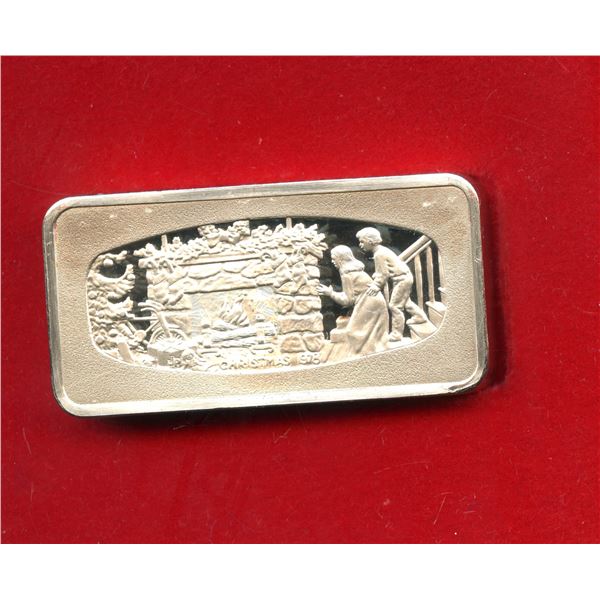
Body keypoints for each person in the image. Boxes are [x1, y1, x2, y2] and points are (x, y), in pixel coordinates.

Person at [356, 227, 429, 342]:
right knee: (406, 302)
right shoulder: (381, 251)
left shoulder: (378, 254)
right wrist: (377, 275)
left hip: (402, 280)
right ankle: (419, 316)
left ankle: (396, 334)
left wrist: (376, 285)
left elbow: (383, 274)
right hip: (404, 278)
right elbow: (383, 270)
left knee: (394, 306)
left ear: (370, 241)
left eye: (362, 241)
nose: (360, 245)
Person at [318, 245, 389, 361]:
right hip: (376, 301)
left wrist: (330, 293)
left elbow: (348, 300)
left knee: (355, 332)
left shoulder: (347, 274)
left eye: (334, 258)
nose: (332, 261)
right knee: (373, 333)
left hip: (369, 303)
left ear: (341, 259)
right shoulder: (355, 270)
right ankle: (373, 357)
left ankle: (363, 359)